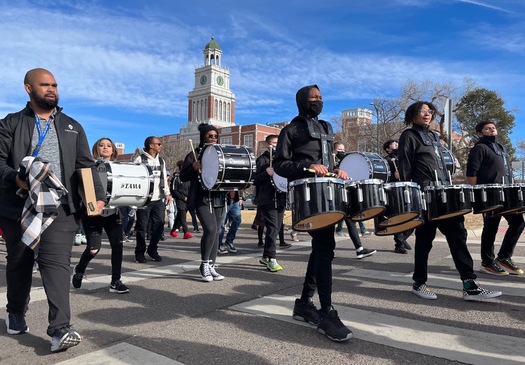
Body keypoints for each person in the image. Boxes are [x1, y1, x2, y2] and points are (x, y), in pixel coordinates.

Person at [0, 68, 106, 352]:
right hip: (19, 205)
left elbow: (86, 165)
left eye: (54, 85)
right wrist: (17, 178)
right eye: (44, 84)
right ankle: (15, 312)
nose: (51, 89)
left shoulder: (73, 126)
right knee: (19, 262)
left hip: (61, 205)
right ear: (28, 88)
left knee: (56, 263)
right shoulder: (10, 123)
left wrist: (97, 197)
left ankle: (60, 329)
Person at [397, 101, 502, 301]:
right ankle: (419, 283)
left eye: (430, 111)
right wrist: (412, 195)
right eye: (422, 111)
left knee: (458, 236)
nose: (427, 114)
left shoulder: (434, 136)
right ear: (413, 114)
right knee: (424, 241)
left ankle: (470, 286)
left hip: (445, 196)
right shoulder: (408, 136)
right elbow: (405, 168)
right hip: (425, 196)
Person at [274, 84, 353, 342]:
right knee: (325, 249)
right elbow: (280, 165)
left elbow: (327, 161)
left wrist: (336, 169)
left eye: (321, 97)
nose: (319, 101)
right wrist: (308, 166)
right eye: (314, 97)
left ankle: (304, 303)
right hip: (308, 195)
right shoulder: (291, 130)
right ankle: (326, 313)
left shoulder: (327, 128)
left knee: (322, 249)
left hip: (329, 191)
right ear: (302, 101)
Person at [71, 138, 130, 294]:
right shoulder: (88, 166)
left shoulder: (119, 168)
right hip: (93, 213)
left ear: (113, 150)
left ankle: (115, 281)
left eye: (109, 146)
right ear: (95, 149)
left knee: (117, 246)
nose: (105, 148)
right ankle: (80, 269)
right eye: (101, 145)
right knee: (93, 249)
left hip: (113, 212)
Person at [466, 121, 524, 275]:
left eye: (493, 128)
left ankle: (504, 257)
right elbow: (472, 173)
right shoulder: (479, 148)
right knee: (491, 227)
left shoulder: (501, 148)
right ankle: (487, 262)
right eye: (487, 128)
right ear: (480, 133)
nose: (492, 130)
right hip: (489, 194)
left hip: (507, 194)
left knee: (518, 222)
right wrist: (476, 194)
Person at [180, 123, 226, 282]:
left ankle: (212, 265)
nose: (213, 139)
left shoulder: (221, 153)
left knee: (218, 231)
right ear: (203, 137)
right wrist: (193, 167)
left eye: (215, 136)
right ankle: (204, 264)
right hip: (201, 197)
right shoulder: (195, 154)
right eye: (210, 136)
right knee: (211, 229)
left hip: (219, 197)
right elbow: (183, 176)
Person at [333, 142, 376, 259]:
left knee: (351, 220)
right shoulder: (331, 160)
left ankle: (359, 249)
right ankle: (326, 251)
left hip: (347, 192)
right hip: (335, 193)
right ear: (334, 151)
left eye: (343, 149)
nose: (341, 151)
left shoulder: (347, 160)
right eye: (339, 149)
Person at [133, 137, 172, 263]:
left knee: (160, 224)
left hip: (158, 199)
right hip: (144, 199)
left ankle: (152, 249)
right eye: (158, 144)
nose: (160, 146)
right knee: (142, 227)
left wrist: (167, 193)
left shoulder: (161, 160)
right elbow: (134, 179)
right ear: (151, 145)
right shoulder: (140, 159)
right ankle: (139, 252)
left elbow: (164, 179)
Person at [254, 134, 288, 272]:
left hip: (280, 197)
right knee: (273, 228)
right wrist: (265, 173)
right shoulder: (262, 160)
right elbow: (254, 180)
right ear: (267, 145)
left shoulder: (281, 160)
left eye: (278, 143)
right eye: (274, 143)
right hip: (267, 198)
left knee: (277, 227)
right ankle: (272, 259)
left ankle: (266, 256)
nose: (276, 145)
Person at [382, 139, 413, 254]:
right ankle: (399, 244)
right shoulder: (386, 160)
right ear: (388, 149)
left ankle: (403, 238)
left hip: (407, 188)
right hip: (393, 190)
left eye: (397, 142)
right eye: (393, 143)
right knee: (398, 216)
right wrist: (393, 176)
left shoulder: (404, 157)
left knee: (413, 215)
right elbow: (383, 177)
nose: (397, 144)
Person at [170, 160, 193, 239]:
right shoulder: (176, 178)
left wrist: (189, 197)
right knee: (182, 215)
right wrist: (183, 197)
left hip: (187, 200)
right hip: (180, 200)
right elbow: (173, 190)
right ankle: (186, 232)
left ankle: (173, 230)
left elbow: (190, 189)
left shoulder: (188, 178)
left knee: (180, 216)